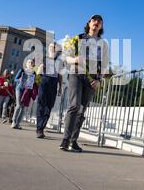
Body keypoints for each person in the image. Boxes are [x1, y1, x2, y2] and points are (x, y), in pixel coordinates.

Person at [59, 15, 109, 152]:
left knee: (82, 110)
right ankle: (65, 139)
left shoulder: (103, 44)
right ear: (89, 23)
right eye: (94, 20)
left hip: (92, 79)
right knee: (74, 105)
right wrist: (74, 60)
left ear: (101, 26)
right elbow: (66, 57)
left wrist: (99, 79)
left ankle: (73, 140)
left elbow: (104, 64)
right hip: (76, 74)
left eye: (99, 21)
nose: (96, 22)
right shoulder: (78, 38)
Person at [35, 42, 64, 138]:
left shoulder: (60, 61)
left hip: (53, 82)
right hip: (44, 81)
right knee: (41, 106)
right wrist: (38, 81)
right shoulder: (44, 57)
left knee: (49, 107)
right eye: (51, 47)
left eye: (54, 47)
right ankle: (39, 129)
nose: (52, 48)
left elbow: (60, 75)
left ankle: (41, 128)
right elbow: (39, 70)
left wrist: (60, 87)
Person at [11, 59, 37, 129]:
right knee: (19, 105)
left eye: (32, 62)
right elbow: (15, 79)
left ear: (33, 64)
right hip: (19, 89)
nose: (30, 63)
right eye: (29, 62)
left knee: (23, 107)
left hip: (27, 91)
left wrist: (33, 83)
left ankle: (18, 123)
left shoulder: (34, 73)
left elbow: (34, 82)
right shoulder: (22, 70)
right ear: (26, 64)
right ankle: (13, 121)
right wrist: (19, 80)